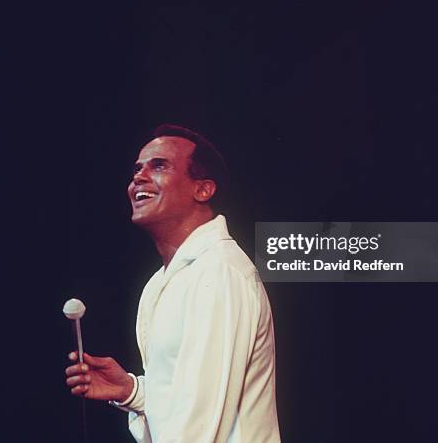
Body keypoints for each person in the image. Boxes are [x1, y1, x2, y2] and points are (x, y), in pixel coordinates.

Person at [65, 124, 281, 442]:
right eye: (137, 169)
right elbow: (184, 402)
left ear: (203, 190)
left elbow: (200, 428)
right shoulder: (161, 283)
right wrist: (133, 390)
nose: (138, 177)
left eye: (159, 166)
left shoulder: (218, 272)